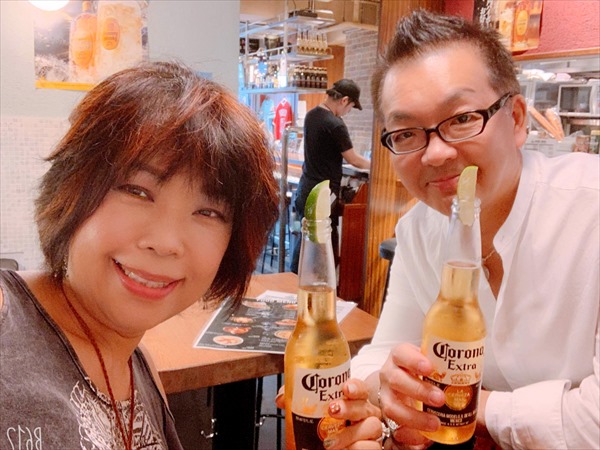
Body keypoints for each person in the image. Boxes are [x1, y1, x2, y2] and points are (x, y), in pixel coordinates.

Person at [279, 9, 599, 450]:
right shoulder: (419, 228)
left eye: (462, 118)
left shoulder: (590, 210)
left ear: (517, 119)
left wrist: (471, 406)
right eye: (406, 133)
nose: (435, 153)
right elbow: (383, 355)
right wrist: (378, 392)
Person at [0, 61, 279, 449]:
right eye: (136, 191)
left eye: (209, 212)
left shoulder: (140, 370)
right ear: (71, 187)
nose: (165, 243)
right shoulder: (8, 321)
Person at [291, 78, 371, 273]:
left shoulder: (311, 116)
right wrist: (380, 166)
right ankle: (313, 284)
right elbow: (354, 159)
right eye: (351, 107)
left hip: (306, 187)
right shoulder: (335, 124)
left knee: (306, 242)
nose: (348, 112)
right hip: (323, 194)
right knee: (323, 247)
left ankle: (292, 281)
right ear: (344, 100)